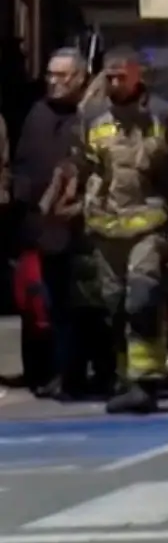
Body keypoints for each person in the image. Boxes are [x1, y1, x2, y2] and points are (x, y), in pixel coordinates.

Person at [73, 46, 168, 414]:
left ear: (137, 75)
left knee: (142, 299)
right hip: (105, 227)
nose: (114, 82)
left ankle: (146, 381)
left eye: (120, 76)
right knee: (114, 306)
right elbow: (83, 166)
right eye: (108, 76)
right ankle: (127, 379)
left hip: (147, 224)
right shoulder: (92, 117)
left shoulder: (161, 116)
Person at [10, 47, 112, 400]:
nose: (53, 82)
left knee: (91, 309)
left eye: (62, 76)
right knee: (52, 310)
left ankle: (99, 374)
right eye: (50, 75)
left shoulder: (94, 116)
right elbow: (23, 164)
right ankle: (61, 374)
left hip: (87, 228)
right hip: (46, 229)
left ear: (81, 77)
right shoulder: (37, 114)